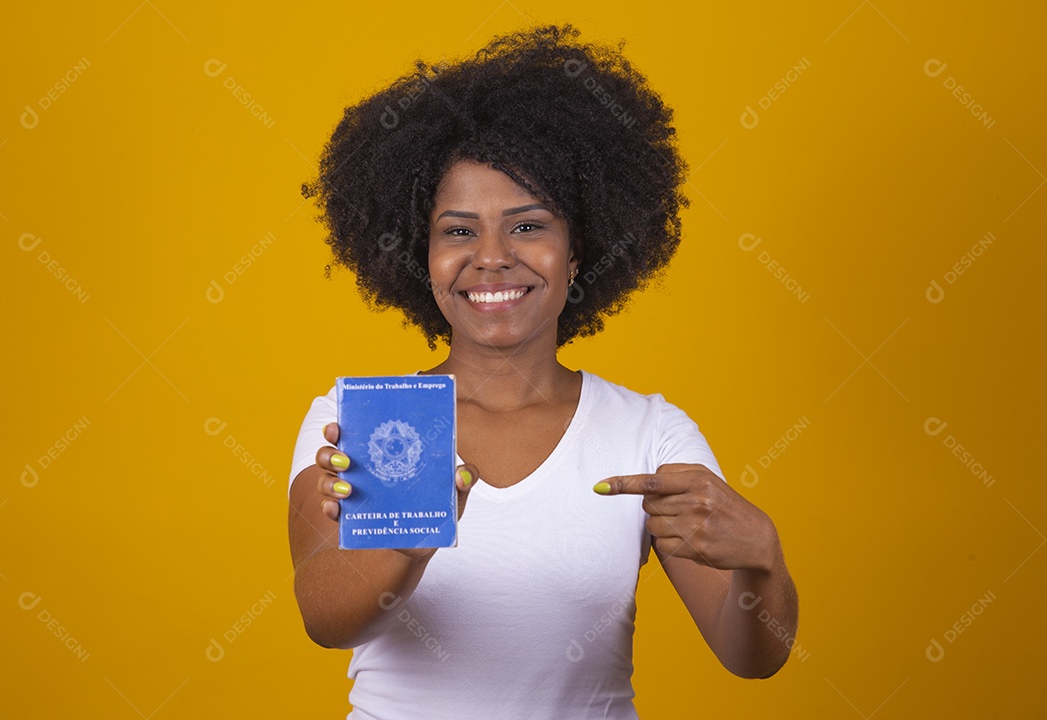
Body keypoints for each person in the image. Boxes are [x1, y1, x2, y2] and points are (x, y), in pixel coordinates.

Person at [287, 23, 798, 719]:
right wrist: (406, 542)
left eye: (528, 226)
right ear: (421, 253)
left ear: (578, 249)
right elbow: (326, 619)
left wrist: (762, 560)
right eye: (458, 230)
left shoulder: (649, 435)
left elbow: (750, 657)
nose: (492, 256)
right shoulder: (357, 418)